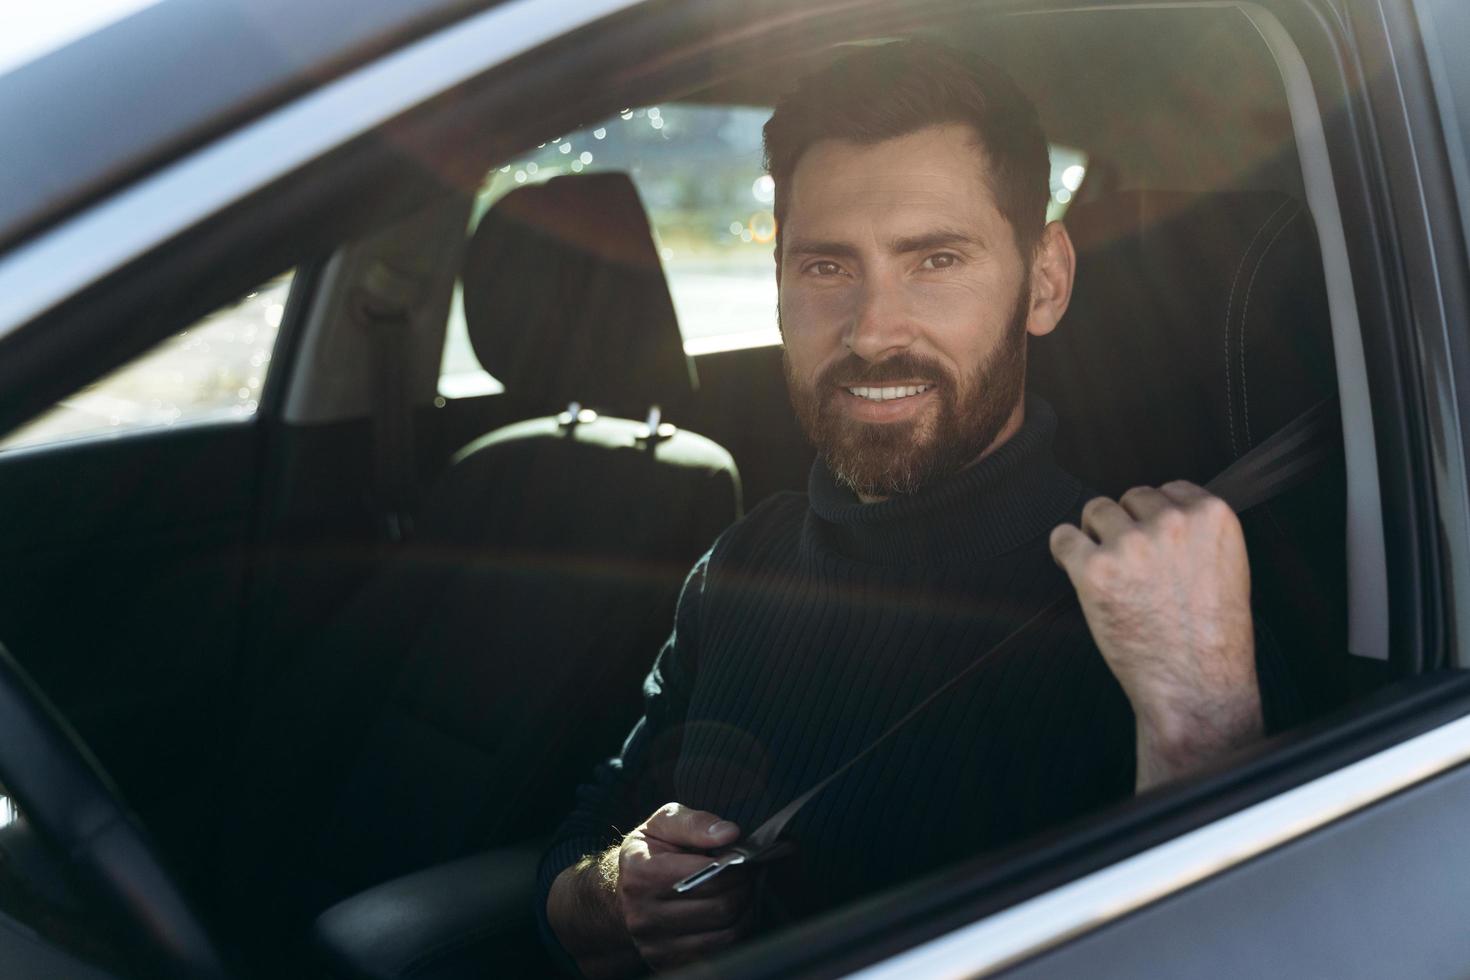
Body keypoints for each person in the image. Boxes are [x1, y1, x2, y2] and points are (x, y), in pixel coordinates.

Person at [537, 39, 1298, 977]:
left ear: (1045, 282)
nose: (872, 331)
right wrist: (614, 893)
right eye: (825, 267)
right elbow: (576, 849)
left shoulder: (1171, 611)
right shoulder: (739, 563)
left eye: (935, 259)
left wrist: (1201, 727)